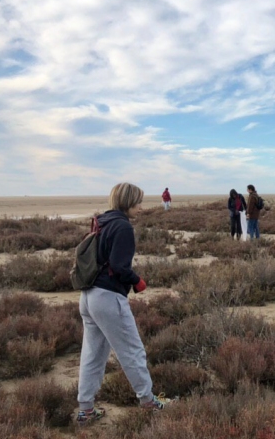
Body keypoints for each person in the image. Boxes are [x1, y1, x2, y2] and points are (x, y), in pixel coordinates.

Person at [76, 183, 169, 427]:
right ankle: (149, 402)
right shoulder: (122, 226)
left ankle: (85, 409)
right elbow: (119, 266)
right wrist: (137, 281)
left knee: (92, 354)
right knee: (132, 350)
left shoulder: (102, 221)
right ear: (127, 202)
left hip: (88, 297)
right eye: (138, 202)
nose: (141, 207)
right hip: (108, 298)